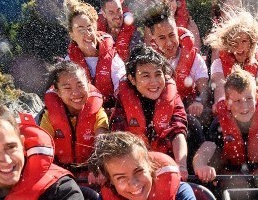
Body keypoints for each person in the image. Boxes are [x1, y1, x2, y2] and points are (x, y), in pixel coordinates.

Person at [193, 66, 258, 182]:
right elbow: (204, 151)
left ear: (256, 99)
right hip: (235, 182)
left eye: (249, 99)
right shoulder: (220, 124)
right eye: (237, 101)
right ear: (227, 103)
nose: (244, 106)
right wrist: (201, 166)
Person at [111, 44, 191, 179]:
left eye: (158, 74)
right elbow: (119, 137)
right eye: (146, 76)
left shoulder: (171, 96)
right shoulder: (124, 99)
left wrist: (181, 166)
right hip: (137, 162)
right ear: (132, 79)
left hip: (168, 159)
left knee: (193, 125)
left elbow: (178, 132)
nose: (154, 82)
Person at [39, 60, 109, 185]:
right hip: (60, 172)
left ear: (88, 85)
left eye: (80, 85)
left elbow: (102, 139)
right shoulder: (49, 116)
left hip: (90, 172)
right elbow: (43, 144)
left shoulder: (97, 112)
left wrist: (97, 164)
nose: (76, 93)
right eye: (67, 88)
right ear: (57, 91)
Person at [142, 1, 210, 119]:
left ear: (177, 32)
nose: (169, 43)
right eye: (162, 38)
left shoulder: (194, 58)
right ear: (154, 39)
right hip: (158, 113)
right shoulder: (148, 62)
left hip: (188, 112)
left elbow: (204, 89)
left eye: (172, 35)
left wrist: (199, 101)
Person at [64, 0, 126, 103]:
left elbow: (120, 82)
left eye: (89, 28)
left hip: (112, 109)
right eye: (81, 30)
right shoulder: (68, 63)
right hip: (85, 111)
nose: (87, 33)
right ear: (72, 35)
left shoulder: (112, 56)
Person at [205, 9, 258, 104]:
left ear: (251, 43)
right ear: (228, 44)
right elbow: (220, 95)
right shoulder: (218, 64)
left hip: (252, 110)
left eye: (244, 41)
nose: (239, 47)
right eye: (234, 42)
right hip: (229, 110)